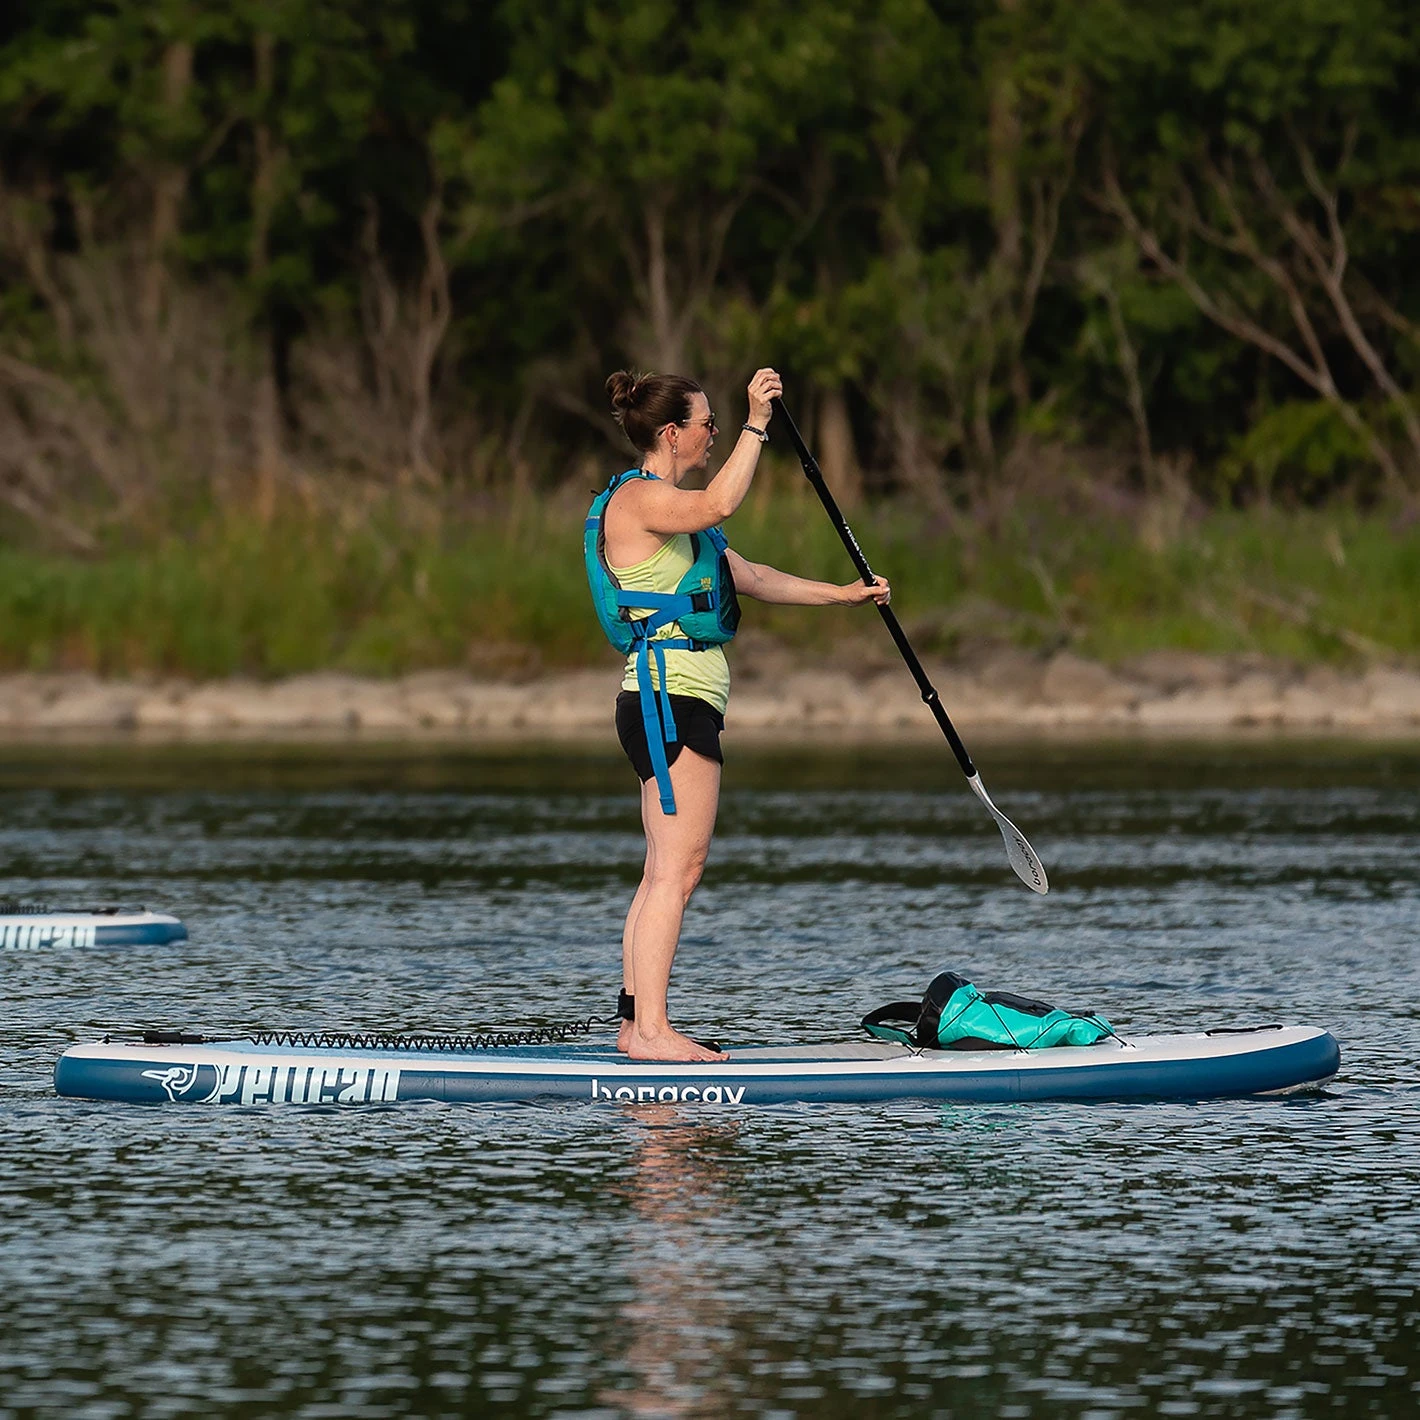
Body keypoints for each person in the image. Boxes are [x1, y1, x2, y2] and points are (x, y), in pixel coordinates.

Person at [586, 367, 891, 1062]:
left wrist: (843, 594)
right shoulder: (640, 500)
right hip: (669, 700)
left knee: (661, 870)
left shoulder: (677, 520)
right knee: (678, 871)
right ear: (672, 434)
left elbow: (749, 578)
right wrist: (758, 422)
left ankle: (636, 1026)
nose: (715, 434)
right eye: (708, 424)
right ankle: (654, 1032)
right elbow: (723, 503)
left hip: (672, 701)